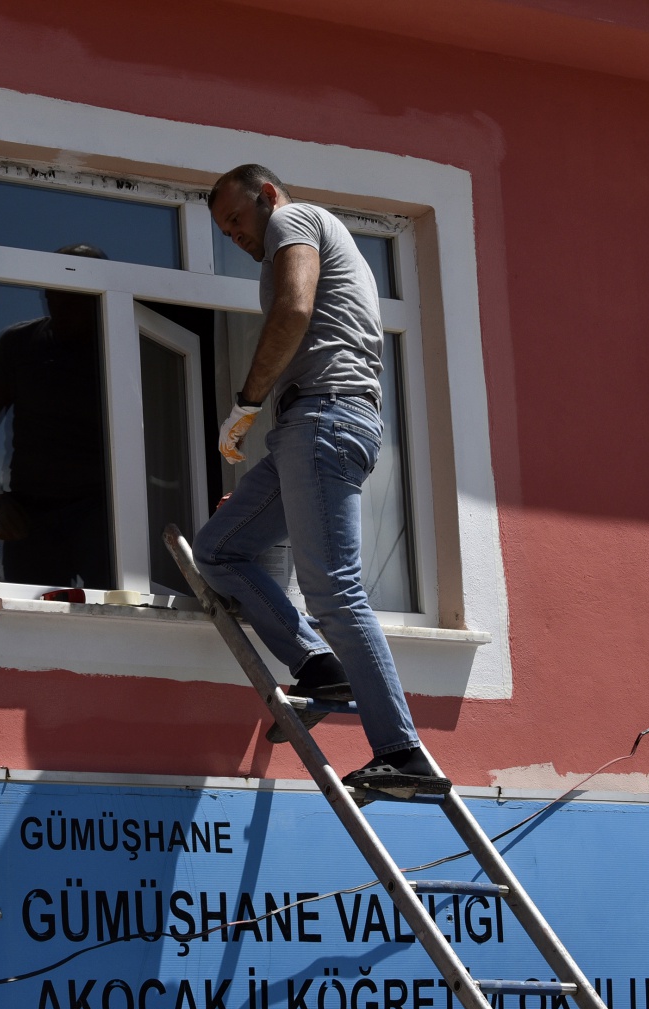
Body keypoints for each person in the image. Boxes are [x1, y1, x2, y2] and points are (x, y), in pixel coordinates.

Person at [195, 164, 450, 798]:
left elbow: (294, 308)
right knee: (220, 549)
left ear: (269, 197)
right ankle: (319, 664)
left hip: (323, 420)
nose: (233, 233)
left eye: (236, 218)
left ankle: (402, 753)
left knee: (335, 592)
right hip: (311, 431)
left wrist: (247, 402)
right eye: (222, 228)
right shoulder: (301, 234)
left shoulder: (295, 220)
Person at [0, 244, 114, 590]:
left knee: (121, 608)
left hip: (104, 510)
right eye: (57, 292)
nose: (66, 303)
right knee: (27, 616)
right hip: (31, 514)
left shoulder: (124, 346)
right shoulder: (19, 345)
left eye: (78, 294)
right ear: (47, 295)